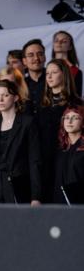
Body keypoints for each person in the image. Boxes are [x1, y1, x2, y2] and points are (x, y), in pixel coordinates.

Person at [0, 80, 42, 206]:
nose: (0, 100)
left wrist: (36, 196)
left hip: (18, 184)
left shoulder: (28, 122)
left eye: (5, 95)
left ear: (16, 97)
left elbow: (34, 161)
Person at [39, 59, 82, 200]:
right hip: (44, 162)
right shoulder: (41, 105)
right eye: (47, 73)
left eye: (54, 72)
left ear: (64, 74)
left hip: (65, 160)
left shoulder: (76, 103)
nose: (49, 76)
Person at [55, 105, 84, 204]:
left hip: (79, 205)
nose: (69, 121)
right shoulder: (60, 148)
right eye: (66, 118)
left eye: (75, 118)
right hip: (58, 204)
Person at [52, 30, 83, 95]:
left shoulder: (76, 71)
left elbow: (77, 98)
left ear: (70, 47)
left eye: (64, 41)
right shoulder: (46, 70)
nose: (59, 43)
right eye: (56, 41)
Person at [22, 39, 47, 116]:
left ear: (45, 57)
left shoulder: (55, 81)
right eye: (31, 55)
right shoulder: (20, 85)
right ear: (24, 61)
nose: (36, 58)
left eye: (40, 54)